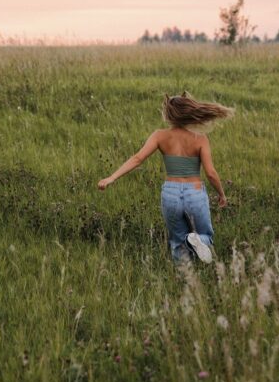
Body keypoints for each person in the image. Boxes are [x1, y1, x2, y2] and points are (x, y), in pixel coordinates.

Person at [97, 91, 235, 264]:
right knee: (205, 235)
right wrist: (221, 194)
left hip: (171, 193)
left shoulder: (159, 136)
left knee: (177, 242)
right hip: (195, 192)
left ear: (168, 115)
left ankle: (184, 278)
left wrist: (112, 177)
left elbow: (137, 158)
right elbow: (210, 173)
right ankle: (196, 241)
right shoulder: (200, 139)